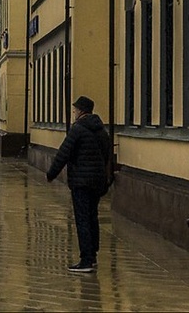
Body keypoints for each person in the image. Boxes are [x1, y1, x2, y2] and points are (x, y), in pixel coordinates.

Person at [46, 95, 111, 273]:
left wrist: (51, 173)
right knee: (92, 217)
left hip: (81, 182)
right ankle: (93, 255)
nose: (73, 112)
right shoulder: (101, 130)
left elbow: (63, 153)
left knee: (82, 219)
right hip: (97, 181)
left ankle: (86, 260)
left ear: (81, 111)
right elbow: (107, 156)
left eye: (75, 109)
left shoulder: (78, 129)